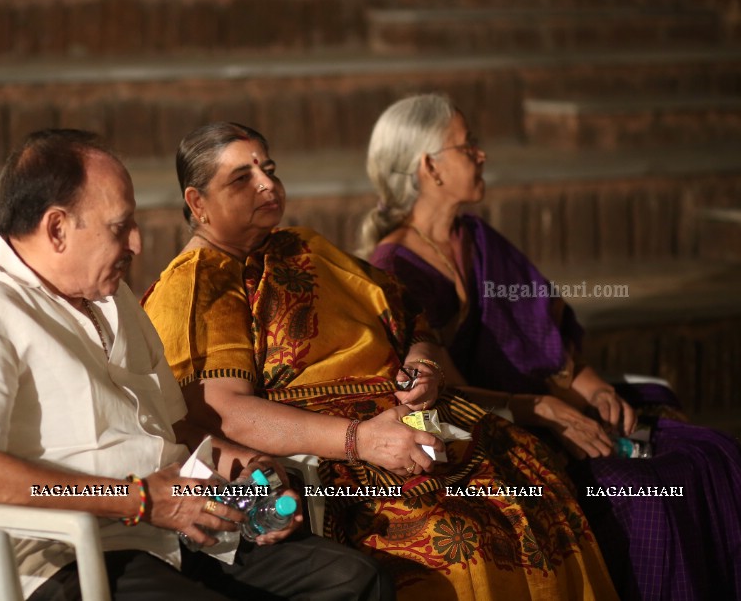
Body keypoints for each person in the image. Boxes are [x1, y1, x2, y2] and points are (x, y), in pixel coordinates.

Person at [141, 121, 618, 600]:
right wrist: (359, 439)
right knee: (458, 539)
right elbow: (225, 412)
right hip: (342, 462)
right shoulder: (197, 284)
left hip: (419, 425)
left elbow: (415, 325)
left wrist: (423, 366)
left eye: (268, 169)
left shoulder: (306, 248)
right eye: (241, 179)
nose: (267, 184)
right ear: (197, 203)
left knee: (537, 492)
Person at [0, 129, 393, 601]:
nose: (138, 243)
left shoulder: (110, 297)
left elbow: (177, 430)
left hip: (181, 532)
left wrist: (251, 468)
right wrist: (139, 500)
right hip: (74, 558)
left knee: (354, 579)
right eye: (119, 227)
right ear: (57, 229)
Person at [361, 93, 741, 601]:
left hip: (553, 408)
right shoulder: (396, 268)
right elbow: (446, 396)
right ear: (429, 167)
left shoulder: (475, 238)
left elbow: (544, 332)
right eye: (467, 144)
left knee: (713, 454)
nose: (481, 154)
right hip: (495, 440)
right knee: (649, 494)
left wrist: (593, 386)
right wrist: (543, 409)